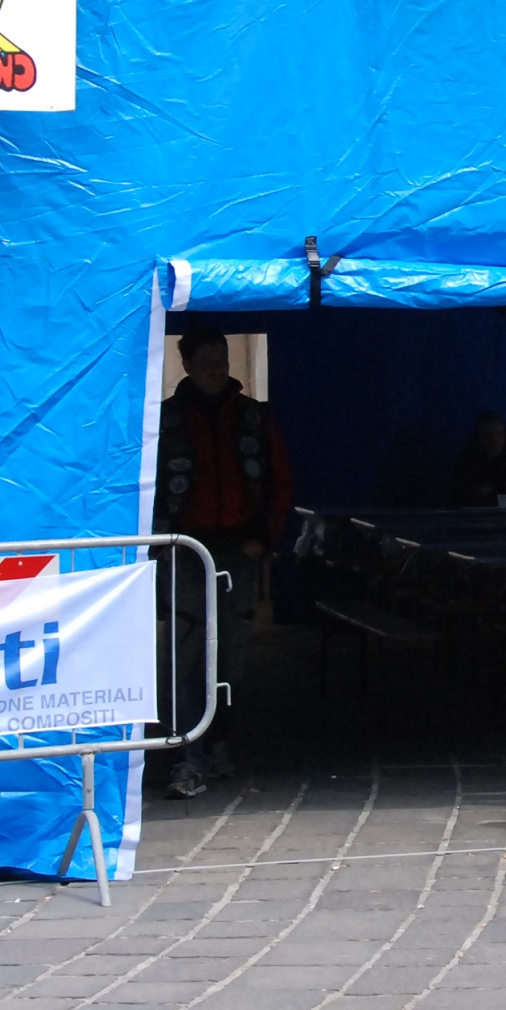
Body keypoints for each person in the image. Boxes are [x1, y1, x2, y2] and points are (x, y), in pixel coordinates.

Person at [153, 324, 295, 799]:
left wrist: (265, 537)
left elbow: (280, 480)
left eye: (222, 361)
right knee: (183, 656)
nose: (216, 370)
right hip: (183, 553)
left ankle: (220, 743)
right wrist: (156, 543)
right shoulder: (166, 420)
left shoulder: (254, 417)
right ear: (187, 365)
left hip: (239, 553)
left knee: (231, 656)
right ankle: (185, 753)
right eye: (206, 362)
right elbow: (147, 485)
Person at [451, 411, 506, 508]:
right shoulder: (468, 461)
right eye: (487, 436)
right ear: (478, 437)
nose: (494, 440)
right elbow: (458, 496)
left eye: (499, 434)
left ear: (505, 435)